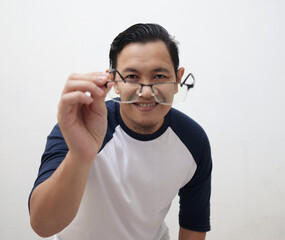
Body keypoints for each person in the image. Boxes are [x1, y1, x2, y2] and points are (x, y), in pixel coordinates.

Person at [29, 23, 212, 240]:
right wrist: (81, 155)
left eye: (159, 76)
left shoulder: (193, 140)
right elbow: (43, 225)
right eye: (132, 76)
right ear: (114, 81)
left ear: (177, 79)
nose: (145, 92)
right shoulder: (80, 125)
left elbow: (193, 225)